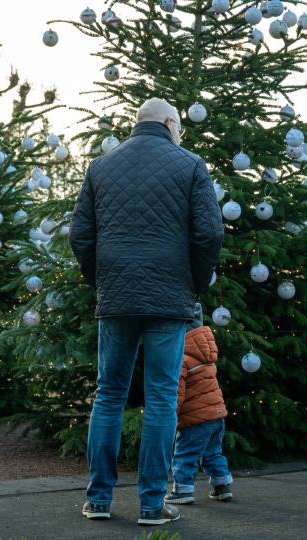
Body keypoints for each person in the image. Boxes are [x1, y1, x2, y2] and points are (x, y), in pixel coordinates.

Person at [70, 98, 224, 526]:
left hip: (116, 296)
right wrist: (194, 283)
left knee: (108, 394)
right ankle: (153, 505)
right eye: (180, 128)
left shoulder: (100, 167)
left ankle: (99, 500)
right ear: (171, 123)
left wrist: (102, 279)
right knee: (161, 398)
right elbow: (210, 232)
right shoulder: (190, 165)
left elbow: (80, 235)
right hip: (168, 297)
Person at [164, 303, 232, 505]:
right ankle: (222, 486)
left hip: (196, 418)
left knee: (185, 454)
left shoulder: (181, 355)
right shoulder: (206, 353)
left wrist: (171, 416)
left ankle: (183, 490)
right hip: (217, 414)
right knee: (213, 453)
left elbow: (177, 392)